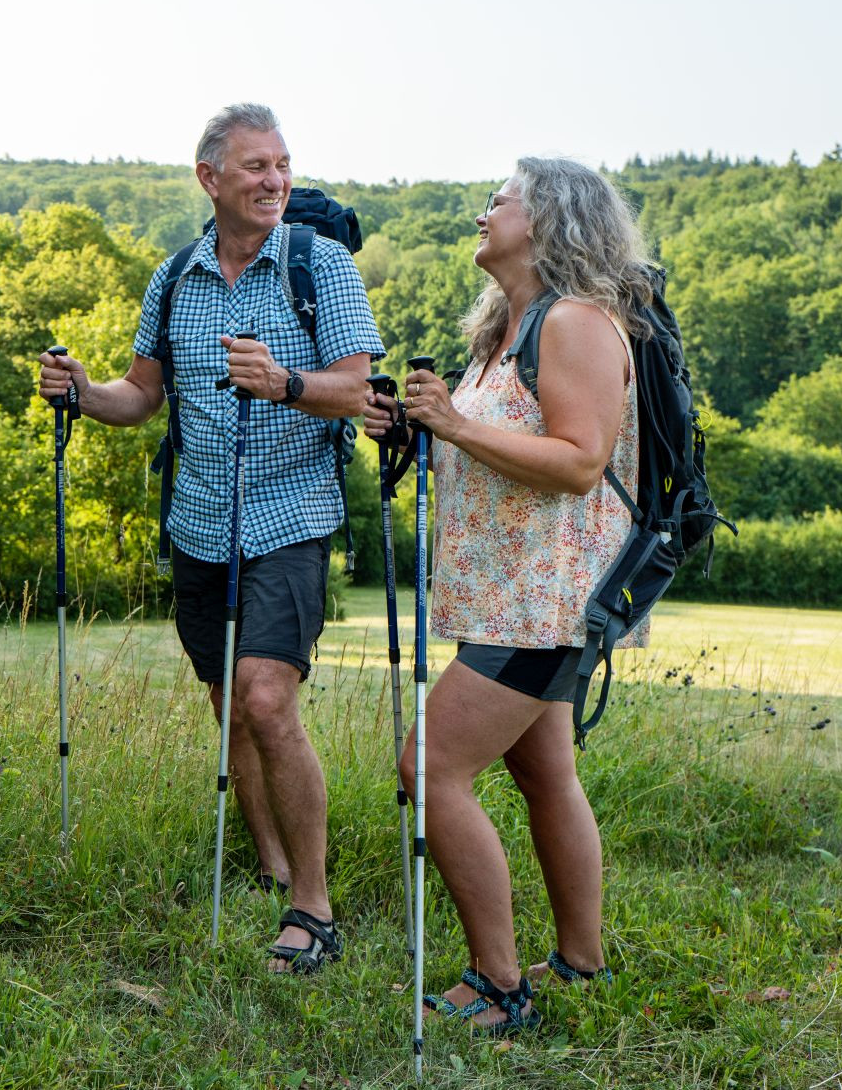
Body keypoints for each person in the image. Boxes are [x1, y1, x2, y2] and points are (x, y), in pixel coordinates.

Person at [39, 103, 383, 973]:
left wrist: (284, 381)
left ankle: (314, 906)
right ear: (210, 180)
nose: (274, 181)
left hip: (289, 519)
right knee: (232, 703)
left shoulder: (322, 266)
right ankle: (267, 863)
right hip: (198, 526)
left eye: (282, 165)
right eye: (255, 167)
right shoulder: (175, 278)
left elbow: (359, 391)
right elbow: (142, 396)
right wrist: (83, 390)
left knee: (268, 698)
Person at [364, 157, 656, 1031]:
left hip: (549, 602)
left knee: (430, 768)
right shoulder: (505, 327)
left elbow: (579, 460)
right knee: (543, 771)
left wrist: (453, 421)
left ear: (550, 220)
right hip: (508, 597)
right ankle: (579, 964)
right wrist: (424, 432)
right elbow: (495, 449)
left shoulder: (574, 323)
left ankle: (499, 984)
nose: (484, 210)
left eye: (502, 198)